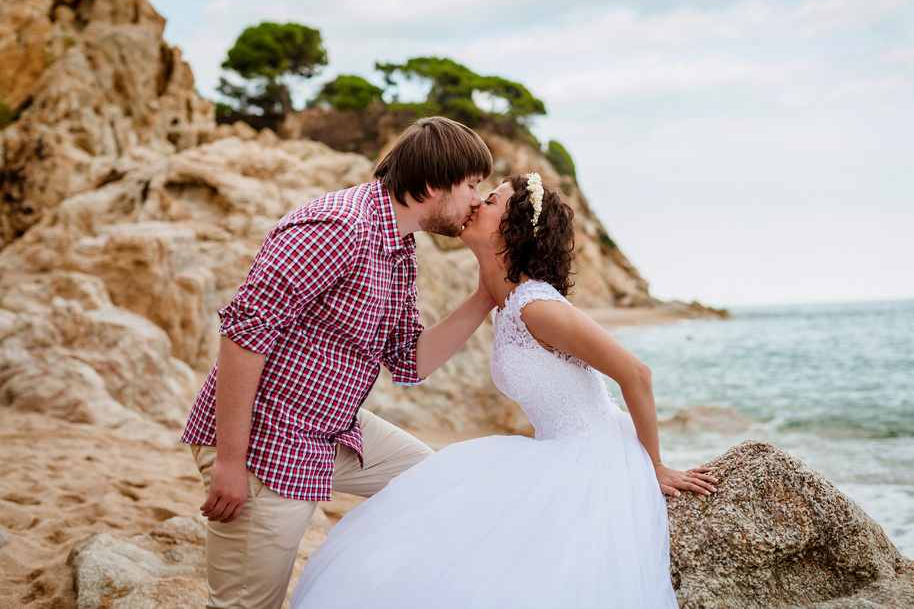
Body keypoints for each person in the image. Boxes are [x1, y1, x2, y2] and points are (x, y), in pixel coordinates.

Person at [291, 173, 718, 608]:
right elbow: (414, 360)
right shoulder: (506, 301)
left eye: (490, 200)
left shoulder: (536, 305)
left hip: (594, 456)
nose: (475, 203)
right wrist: (485, 289)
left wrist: (656, 465)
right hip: (553, 451)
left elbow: (636, 373)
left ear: (511, 230)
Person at [181, 116, 499, 609]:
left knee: (437, 484)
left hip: (333, 430)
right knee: (246, 606)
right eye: (473, 185)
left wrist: (485, 295)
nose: (478, 200)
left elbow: (410, 360)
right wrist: (228, 460)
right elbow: (244, 335)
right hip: (268, 443)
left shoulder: (398, 244)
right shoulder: (339, 228)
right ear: (434, 185)